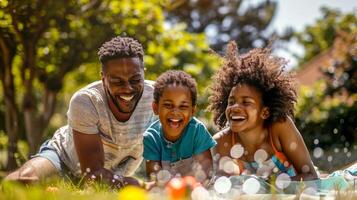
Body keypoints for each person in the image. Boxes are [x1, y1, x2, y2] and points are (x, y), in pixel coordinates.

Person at [5, 36, 156, 187]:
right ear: (103, 78)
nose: (128, 88)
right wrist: (142, 186)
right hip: (64, 160)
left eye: (135, 79)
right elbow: (93, 174)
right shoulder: (86, 101)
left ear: (144, 73)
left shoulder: (160, 98)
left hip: (114, 174)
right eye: (117, 81)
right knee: (17, 182)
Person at [208, 41, 318, 181]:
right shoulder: (222, 141)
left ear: (264, 112)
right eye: (231, 102)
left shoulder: (279, 127)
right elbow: (222, 187)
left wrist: (268, 187)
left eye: (246, 102)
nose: (235, 107)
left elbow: (311, 176)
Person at [143, 70, 216, 184]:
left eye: (183, 106)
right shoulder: (151, 137)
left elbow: (205, 173)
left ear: (192, 111)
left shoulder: (197, 130)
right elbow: (154, 178)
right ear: (155, 107)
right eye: (168, 105)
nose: (175, 112)